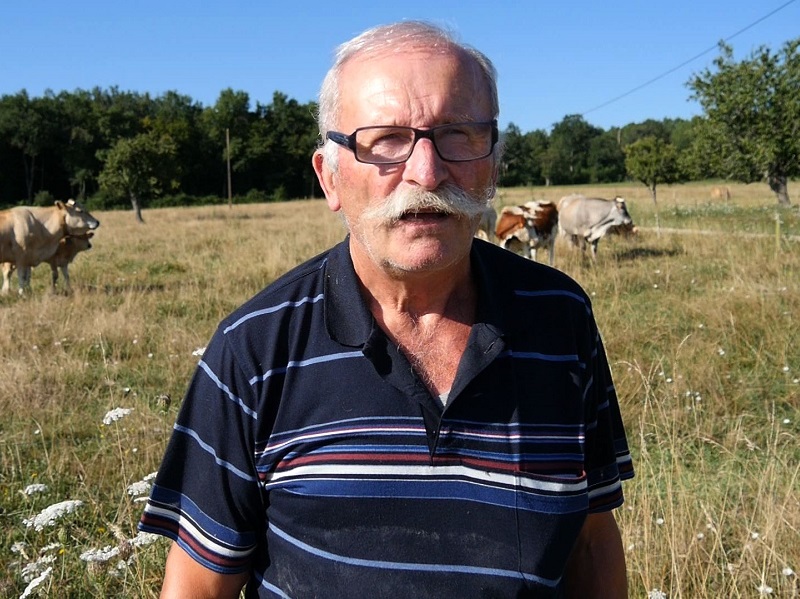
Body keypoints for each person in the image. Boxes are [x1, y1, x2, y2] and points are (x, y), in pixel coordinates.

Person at [139, 20, 634, 598]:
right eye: (386, 141)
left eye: (459, 134)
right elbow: (198, 584)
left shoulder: (561, 317)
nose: (426, 172)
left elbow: (592, 540)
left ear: (493, 164)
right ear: (330, 177)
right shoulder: (255, 348)